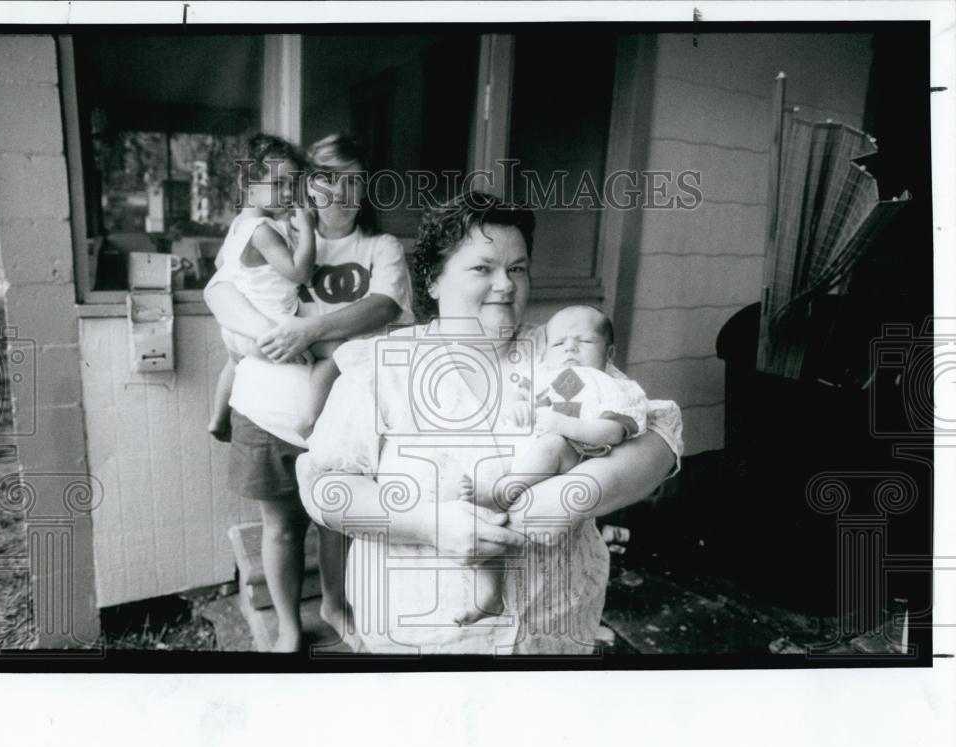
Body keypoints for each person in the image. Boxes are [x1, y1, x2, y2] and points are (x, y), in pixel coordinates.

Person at [297, 192, 683, 654]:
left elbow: (659, 430)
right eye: (483, 268)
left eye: (517, 269)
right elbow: (325, 488)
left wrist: (571, 494)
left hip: (554, 626)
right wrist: (429, 524)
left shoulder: (559, 353)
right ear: (434, 280)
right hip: (426, 636)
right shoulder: (384, 368)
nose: (505, 284)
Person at [204, 134, 413, 652]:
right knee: (280, 528)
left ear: (367, 188)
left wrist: (308, 331)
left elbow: (385, 306)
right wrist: (249, 335)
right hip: (264, 404)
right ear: (306, 184)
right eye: (326, 177)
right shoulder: (271, 233)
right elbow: (220, 293)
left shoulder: (379, 247)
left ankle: (334, 605)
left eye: (353, 179)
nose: (339, 192)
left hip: (342, 413)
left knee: (338, 521)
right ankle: (290, 629)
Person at [454, 304, 649, 624]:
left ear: (609, 352)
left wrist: (562, 424)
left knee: (551, 444)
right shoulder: (558, 379)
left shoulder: (610, 385)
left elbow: (612, 432)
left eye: (584, 342)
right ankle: (489, 593)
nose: (570, 348)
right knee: (482, 520)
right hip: (526, 460)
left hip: (572, 456)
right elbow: (525, 402)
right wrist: (519, 409)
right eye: (559, 343)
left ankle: (502, 492)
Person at [207, 134, 337, 444]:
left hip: (241, 327)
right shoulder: (264, 232)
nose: (287, 192)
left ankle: (217, 417)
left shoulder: (239, 223)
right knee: (338, 350)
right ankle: (310, 419)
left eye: (292, 184)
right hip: (272, 325)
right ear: (248, 184)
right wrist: (307, 232)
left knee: (233, 362)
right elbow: (300, 274)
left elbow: (219, 262)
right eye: (277, 184)